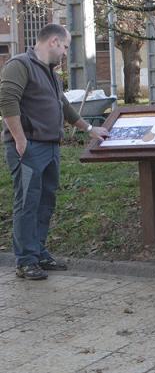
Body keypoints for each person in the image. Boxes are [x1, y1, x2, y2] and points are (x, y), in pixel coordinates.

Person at [0, 24, 108, 280]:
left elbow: (64, 106)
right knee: (27, 203)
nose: (66, 53)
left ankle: (38, 252)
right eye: (66, 47)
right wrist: (20, 139)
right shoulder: (20, 65)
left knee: (45, 202)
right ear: (53, 42)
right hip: (28, 148)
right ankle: (26, 261)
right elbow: (7, 100)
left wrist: (89, 128)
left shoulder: (51, 73)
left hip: (50, 147)